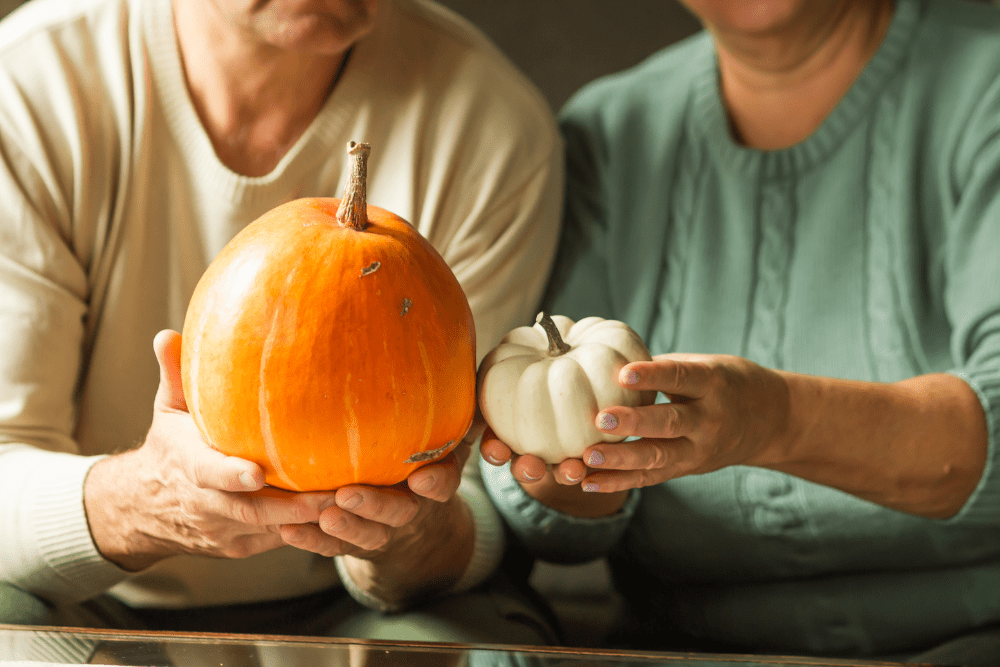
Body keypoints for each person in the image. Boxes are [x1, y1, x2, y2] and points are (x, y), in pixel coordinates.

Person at [0, 0, 563, 648]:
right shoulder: (29, 86)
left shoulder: (491, 127)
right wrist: (144, 500)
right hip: (84, 598)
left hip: (355, 612)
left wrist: (406, 534)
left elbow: (476, 502)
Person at [480, 0, 1000, 664]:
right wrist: (567, 468)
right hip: (672, 653)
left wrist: (774, 419)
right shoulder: (608, 134)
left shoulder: (984, 86)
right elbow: (567, 525)